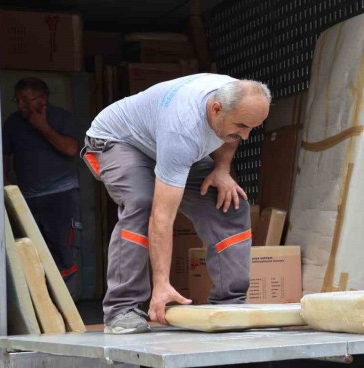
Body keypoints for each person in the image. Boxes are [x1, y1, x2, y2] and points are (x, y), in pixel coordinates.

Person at [83, 74, 270, 334]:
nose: (246, 135)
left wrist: (221, 169)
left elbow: (232, 136)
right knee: (142, 203)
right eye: (241, 126)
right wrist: (162, 284)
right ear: (216, 109)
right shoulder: (183, 130)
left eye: (253, 127)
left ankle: (230, 304)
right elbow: (162, 217)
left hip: (165, 142)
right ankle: (122, 309)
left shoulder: (236, 100)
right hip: (119, 141)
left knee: (230, 205)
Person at [2, 77, 82, 293]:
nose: (20, 104)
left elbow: (71, 149)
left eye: (25, 99)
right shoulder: (12, 123)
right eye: (17, 99)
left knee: (64, 253)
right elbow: (2, 161)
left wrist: (42, 127)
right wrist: (9, 193)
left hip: (61, 196)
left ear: (43, 99)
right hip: (27, 199)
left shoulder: (61, 117)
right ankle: (42, 305)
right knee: (31, 253)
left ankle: (64, 304)